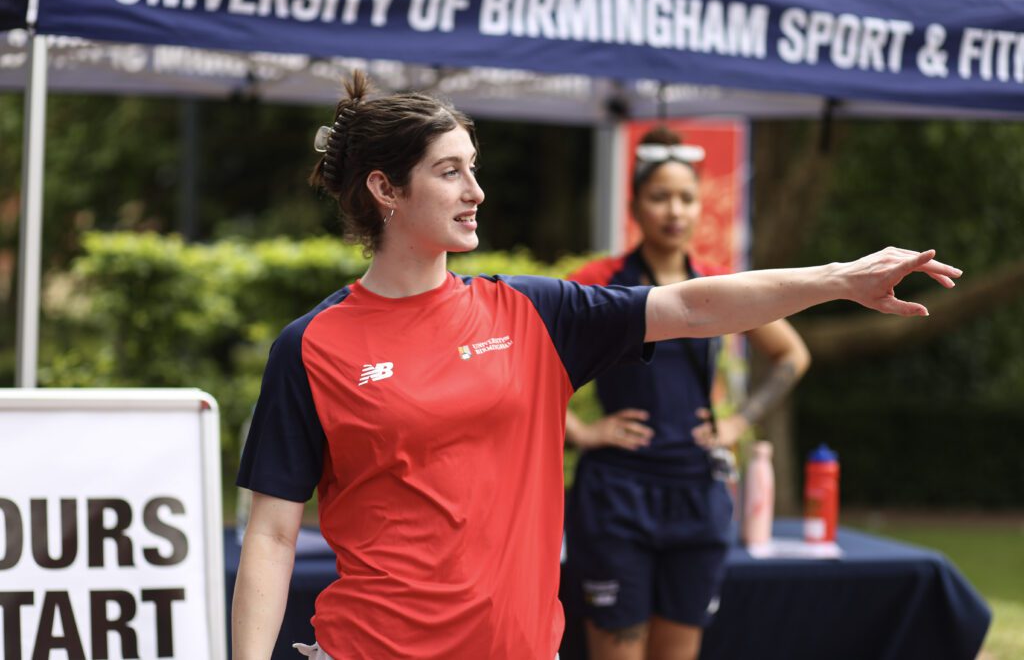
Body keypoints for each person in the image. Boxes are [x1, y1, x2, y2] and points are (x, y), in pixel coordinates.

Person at [230, 71, 961, 660]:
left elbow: (696, 307)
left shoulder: (535, 313)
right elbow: (271, 533)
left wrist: (839, 278)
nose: (476, 192)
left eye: (474, 170)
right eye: (449, 172)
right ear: (386, 190)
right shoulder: (313, 347)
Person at [563, 126, 811, 660]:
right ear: (635, 204)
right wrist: (581, 431)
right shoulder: (600, 281)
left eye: (686, 198)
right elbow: (521, 362)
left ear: (701, 207)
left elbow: (792, 354)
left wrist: (739, 423)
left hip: (697, 494)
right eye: (659, 197)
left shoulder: (719, 286)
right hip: (617, 495)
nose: (674, 210)